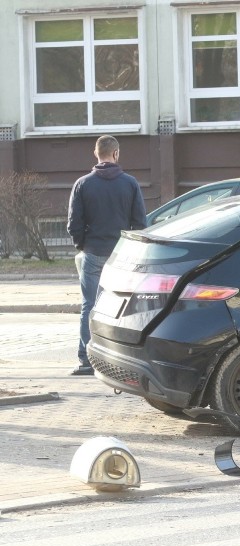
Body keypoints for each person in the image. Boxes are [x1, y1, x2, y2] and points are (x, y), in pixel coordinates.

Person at [67, 136, 147, 375]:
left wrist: (83, 244)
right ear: (116, 154)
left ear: (96, 153)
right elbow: (140, 223)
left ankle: (86, 360)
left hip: (93, 252)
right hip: (122, 256)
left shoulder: (82, 184)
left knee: (90, 305)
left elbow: (74, 224)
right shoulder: (130, 183)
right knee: (125, 308)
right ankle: (121, 360)